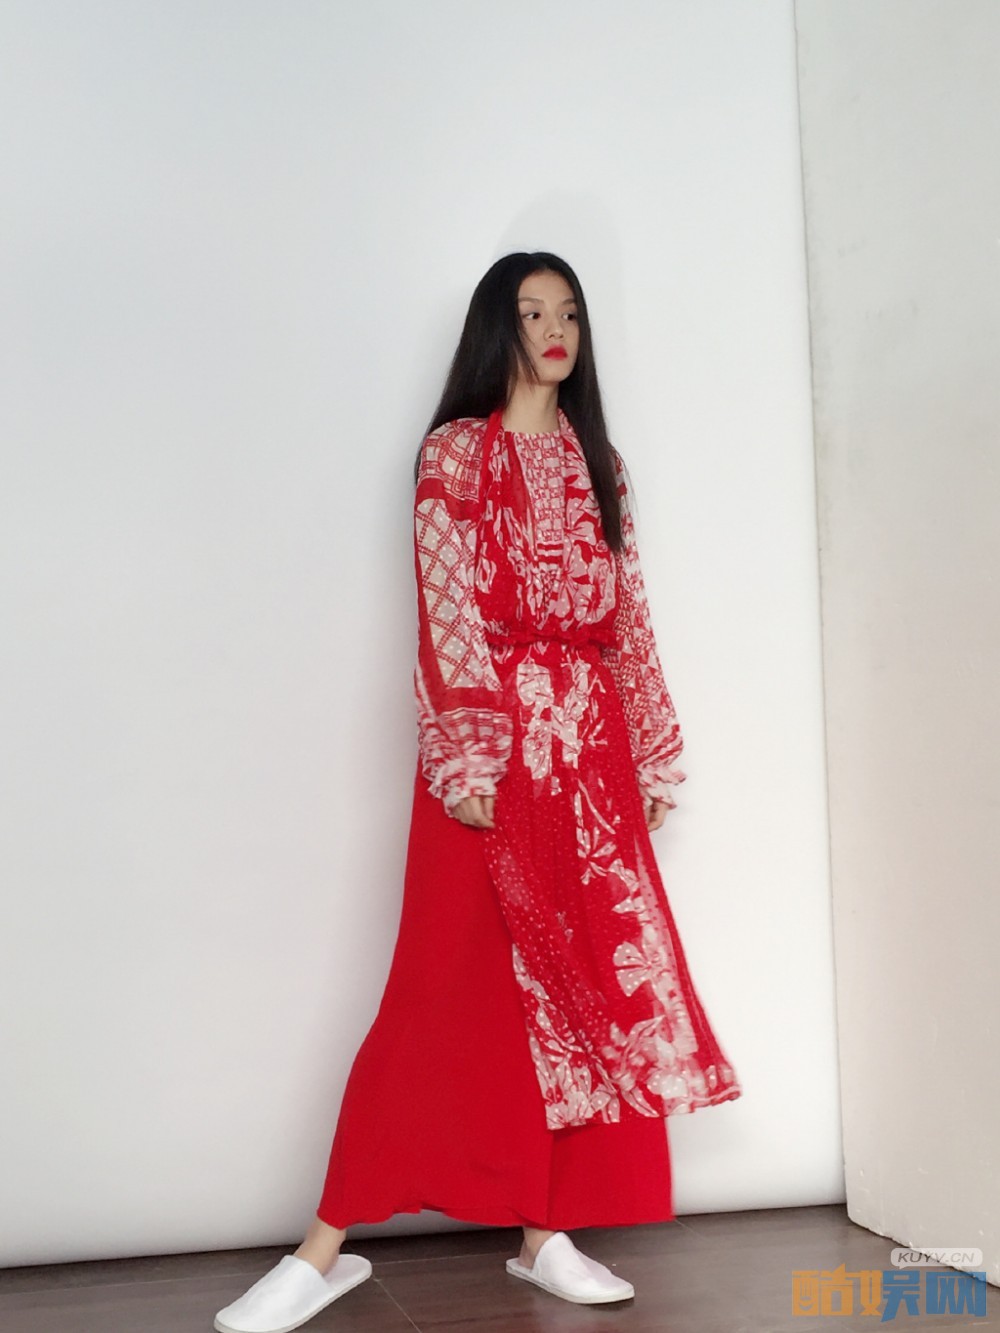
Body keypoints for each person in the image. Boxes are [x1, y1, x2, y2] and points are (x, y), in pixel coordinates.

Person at [214, 252, 741, 1333]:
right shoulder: (455, 454)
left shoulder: (604, 465)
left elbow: (631, 617)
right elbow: (445, 605)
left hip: (587, 754)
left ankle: (545, 1234)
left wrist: (648, 751)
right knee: (437, 988)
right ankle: (323, 1250)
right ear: (494, 329)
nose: (554, 330)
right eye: (531, 311)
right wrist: (466, 755)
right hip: (490, 752)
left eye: (570, 313)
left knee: (581, 993)